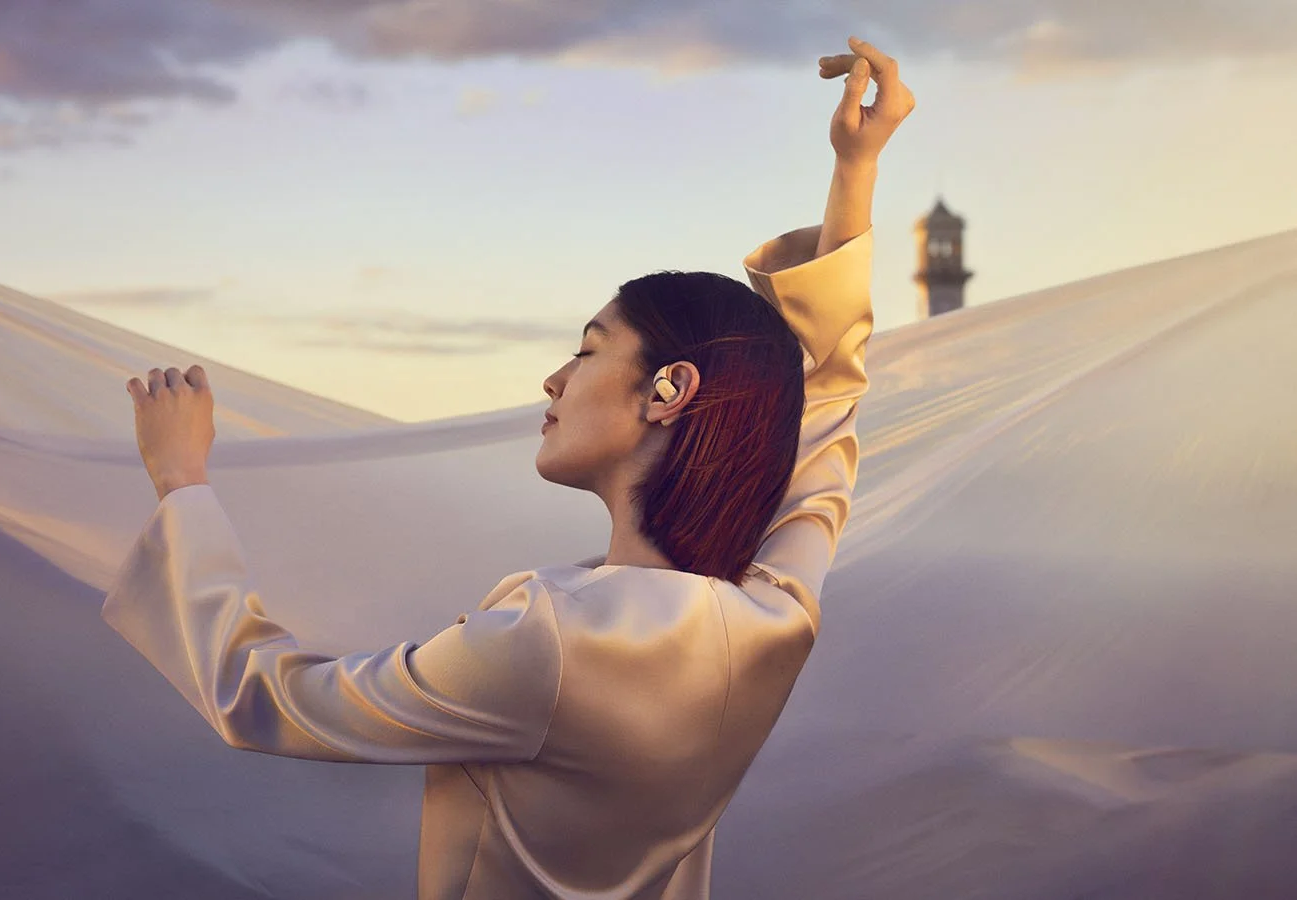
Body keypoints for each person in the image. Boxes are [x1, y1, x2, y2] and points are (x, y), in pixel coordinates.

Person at [107, 35, 914, 900]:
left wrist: (180, 482)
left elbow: (259, 695)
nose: (554, 380)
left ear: (670, 389)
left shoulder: (550, 641)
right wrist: (856, 167)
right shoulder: (772, 615)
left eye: (588, 350)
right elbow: (825, 401)